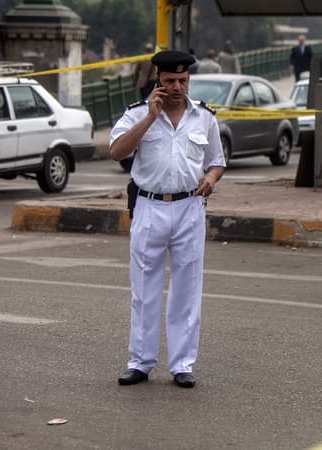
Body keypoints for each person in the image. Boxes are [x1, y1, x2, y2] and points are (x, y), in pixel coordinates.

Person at [109, 50, 226, 388]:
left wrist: (211, 178)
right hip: (149, 207)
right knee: (144, 290)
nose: (177, 87)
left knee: (187, 290)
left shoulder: (204, 117)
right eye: (170, 80)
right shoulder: (136, 115)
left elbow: (216, 160)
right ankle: (140, 362)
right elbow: (117, 152)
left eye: (183, 80)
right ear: (157, 80)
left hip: (189, 207)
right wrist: (150, 116)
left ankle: (182, 365)